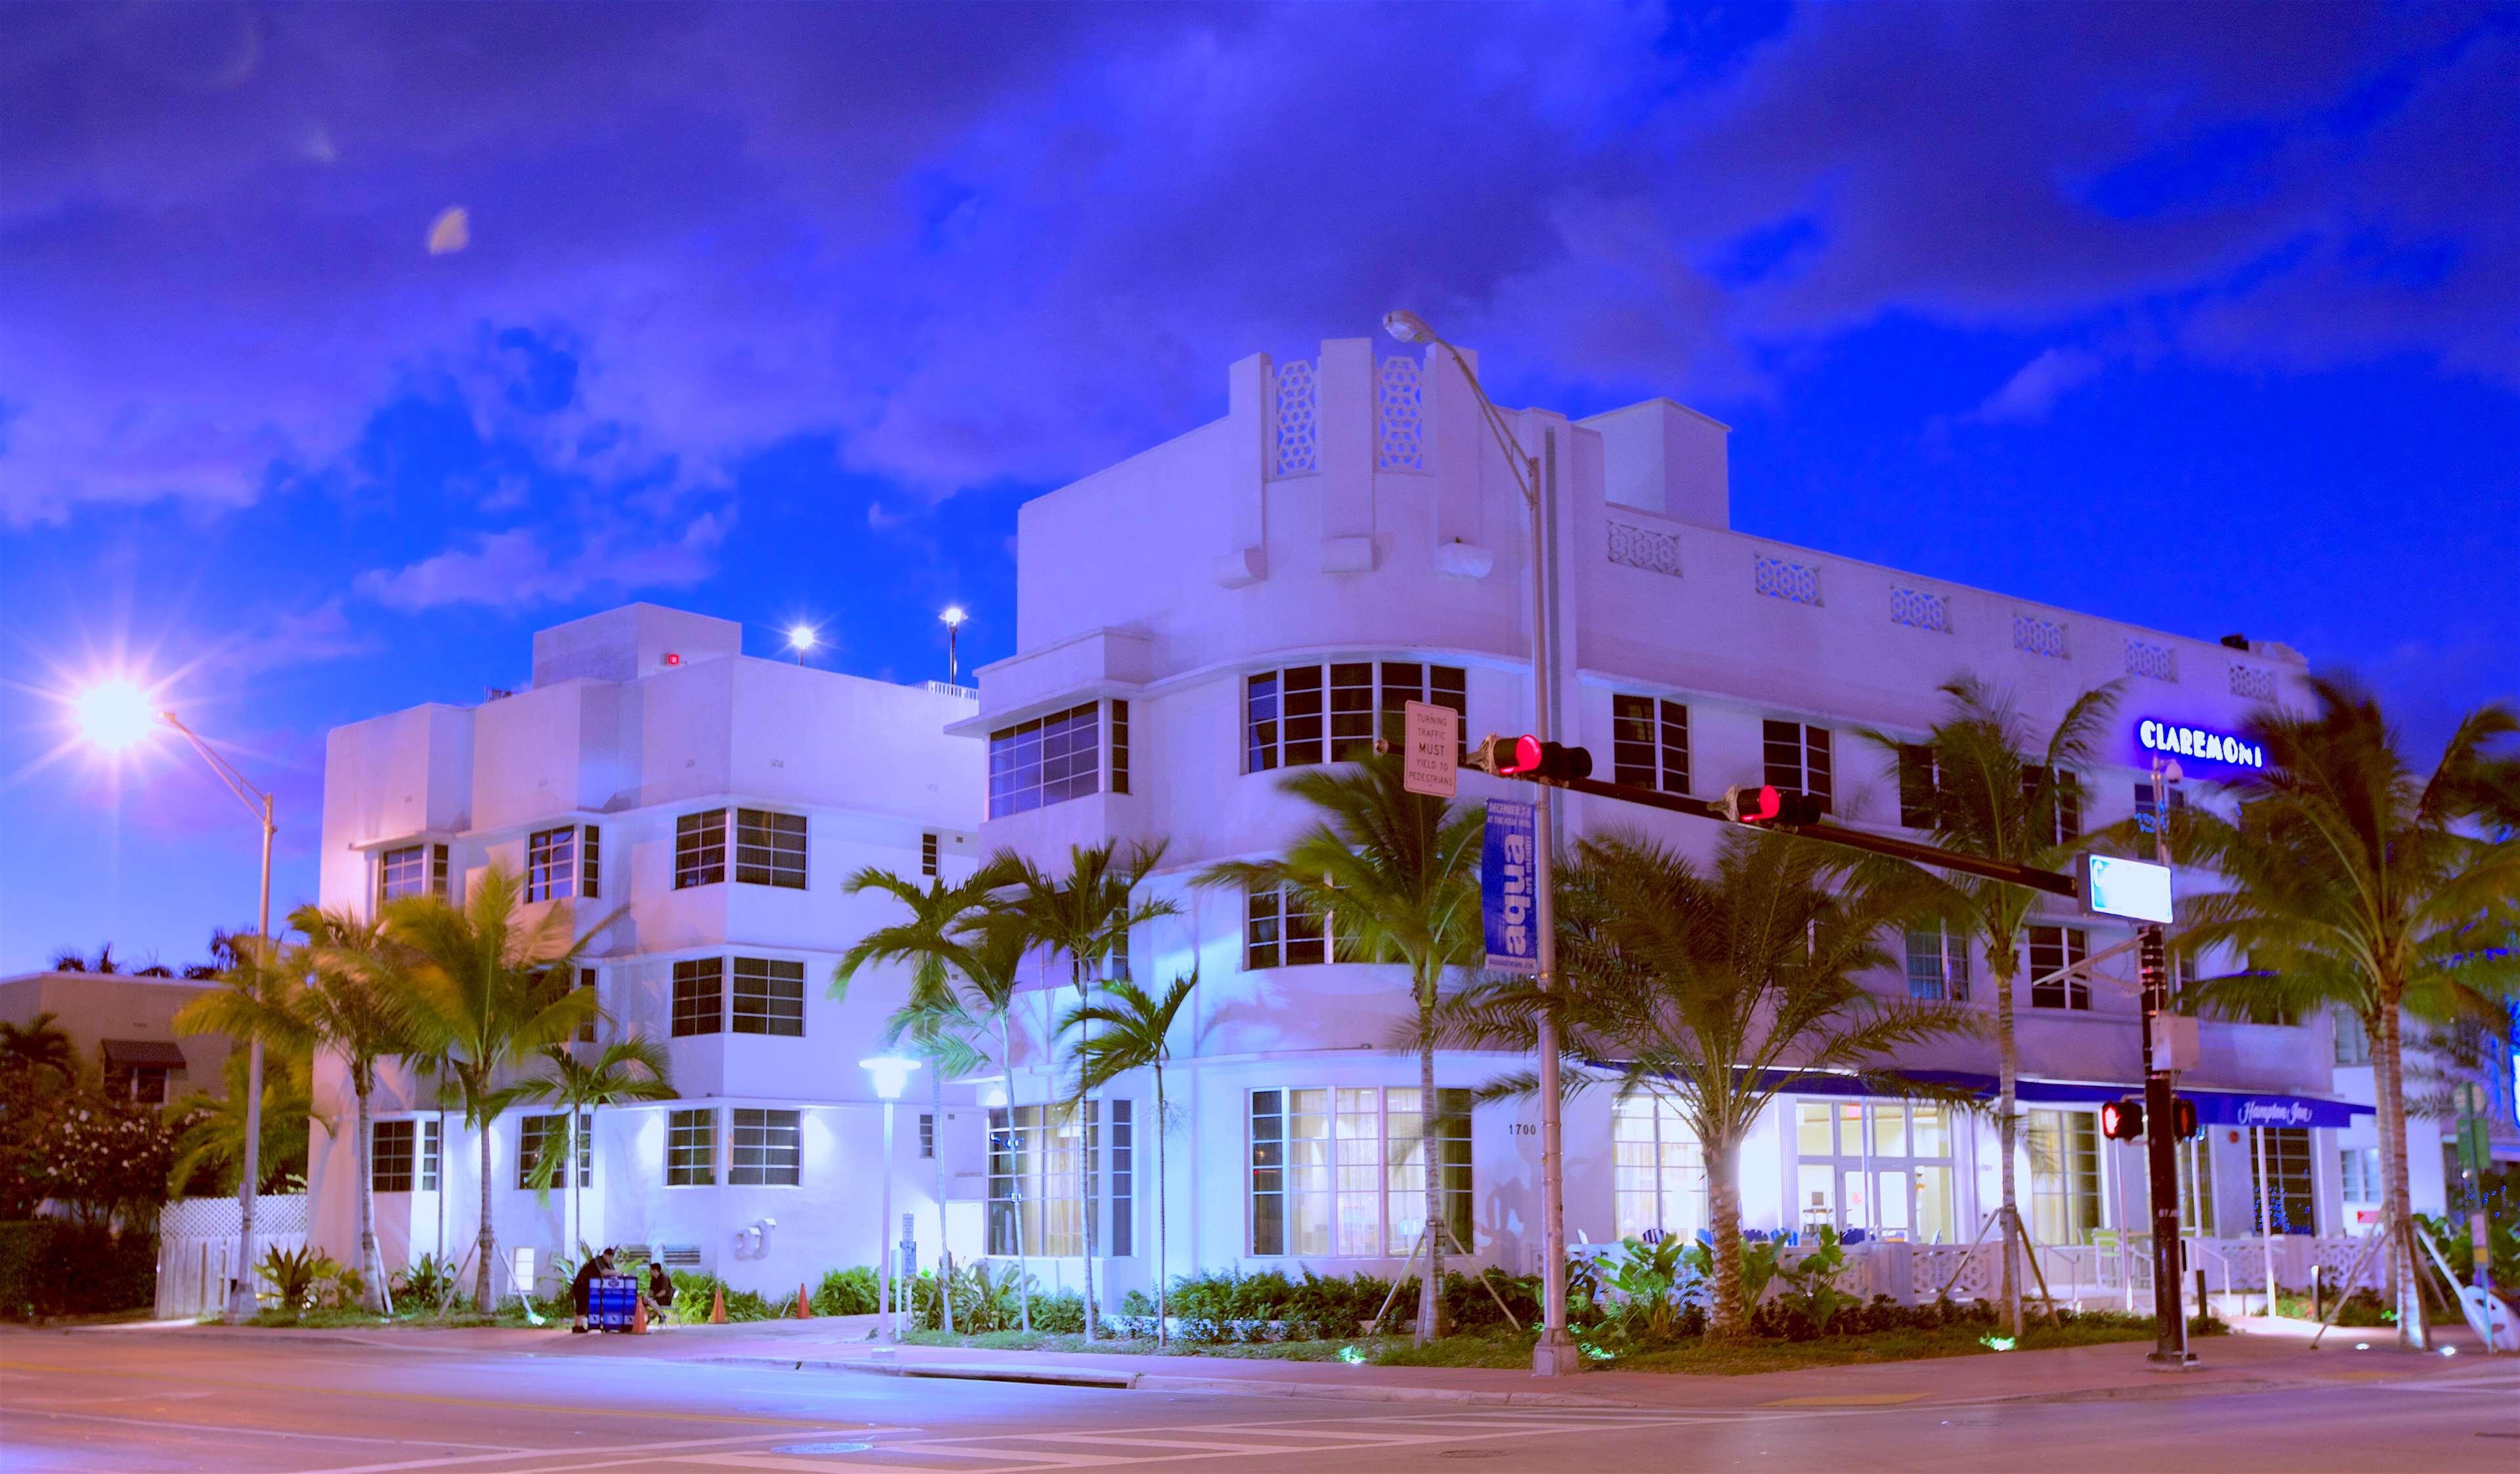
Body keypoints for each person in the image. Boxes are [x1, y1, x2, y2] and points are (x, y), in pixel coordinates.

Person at [568, 1250, 614, 1334]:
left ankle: (578, 1326)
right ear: (605, 1255)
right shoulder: (599, 1260)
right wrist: (618, 1273)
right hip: (581, 1284)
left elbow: (611, 1271)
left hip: (587, 1286)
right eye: (609, 1257)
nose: (610, 1259)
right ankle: (578, 1326)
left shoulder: (607, 1263)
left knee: (582, 1305)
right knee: (582, 1305)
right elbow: (605, 1272)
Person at [643, 1261, 676, 1327]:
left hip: (665, 1299)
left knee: (651, 1301)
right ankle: (651, 1315)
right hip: (656, 1299)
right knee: (642, 1301)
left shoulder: (664, 1278)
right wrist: (646, 1297)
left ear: (655, 1270)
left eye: (650, 1270)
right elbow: (650, 1290)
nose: (649, 1271)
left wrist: (653, 1297)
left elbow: (663, 1292)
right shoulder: (653, 1279)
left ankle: (661, 1316)